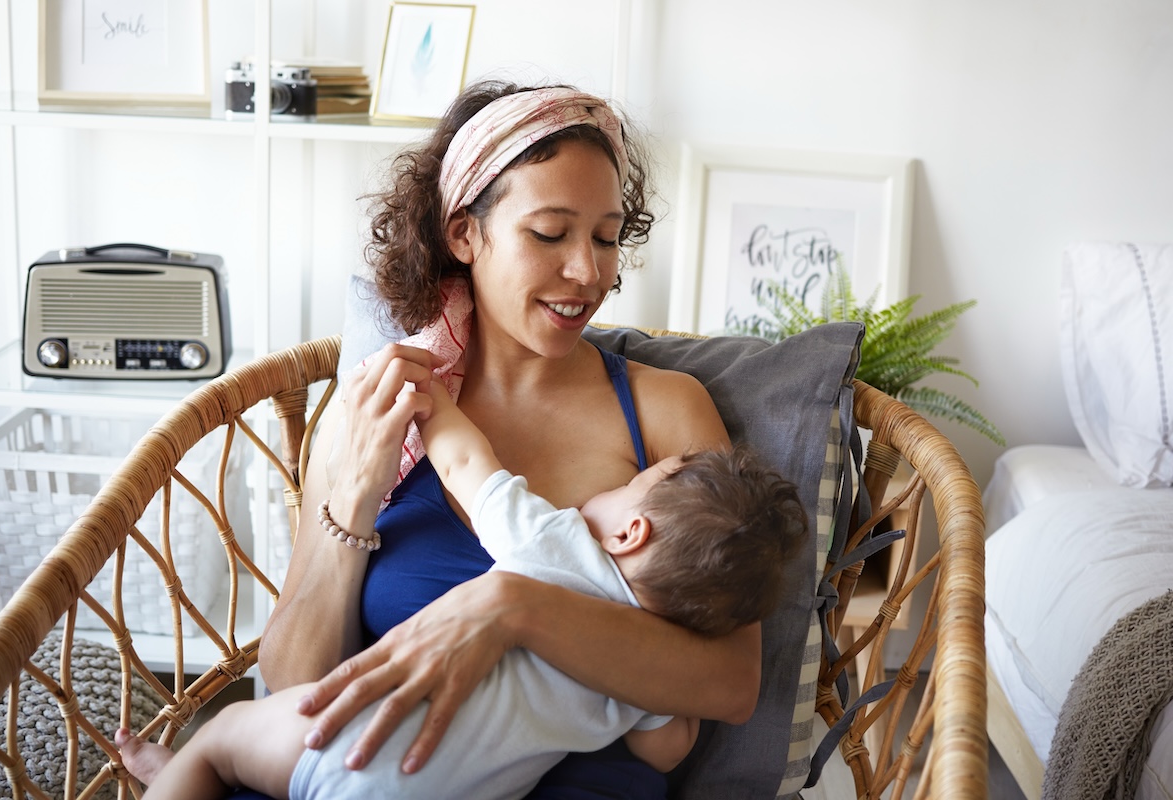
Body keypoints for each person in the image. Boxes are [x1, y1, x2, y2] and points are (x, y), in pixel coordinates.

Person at [211, 79, 765, 799]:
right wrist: (354, 498)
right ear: (464, 234)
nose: (589, 272)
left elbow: (730, 683)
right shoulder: (380, 410)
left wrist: (511, 609)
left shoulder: (665, 412)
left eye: (605, 237)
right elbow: (293, 687)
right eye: (549, 233)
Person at [118, 377, 808, 800]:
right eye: (550, 234)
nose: (588, 268)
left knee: (223, 738)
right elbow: (669, 748)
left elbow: (467, 462)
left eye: (636, 483)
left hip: (356, 749)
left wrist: (433, 401)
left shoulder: (554, 543)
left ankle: (180, 777)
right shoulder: (643, 675)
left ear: (628, 533)